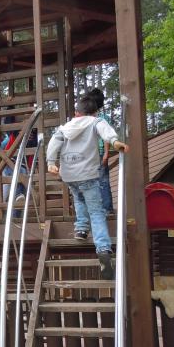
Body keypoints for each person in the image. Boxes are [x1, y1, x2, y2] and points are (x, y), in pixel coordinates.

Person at [46, 96, 129, 279]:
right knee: (97, 212)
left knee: (78, 199)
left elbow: (53, 142)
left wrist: (51, 162)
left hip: (69, 176)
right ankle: (103, 248)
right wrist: (115, 142)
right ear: (95, 112)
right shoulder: (95, 122)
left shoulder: (64, 127)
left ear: (77, 112)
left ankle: (82, 229)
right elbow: (105, 131)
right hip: (88, 175)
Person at [87, 88, 115, 214]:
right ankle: (100, 208)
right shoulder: (90, 119)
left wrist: (106, 154)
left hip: (99, 152)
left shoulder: (102, 118)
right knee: (96, 181)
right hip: (92, 153)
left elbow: (106, 138)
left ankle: (107, 208)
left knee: (102, 180)